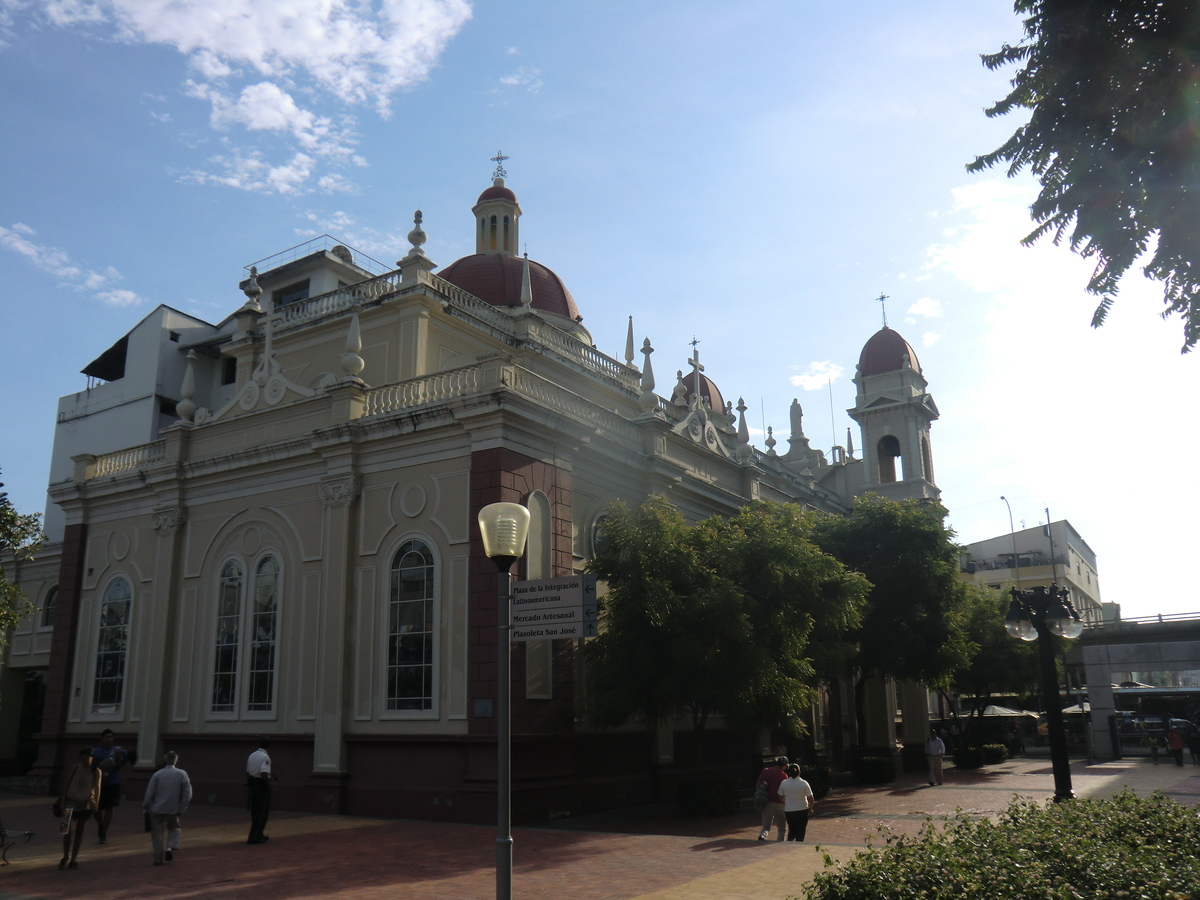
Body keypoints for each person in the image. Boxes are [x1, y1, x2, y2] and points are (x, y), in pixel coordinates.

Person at [142, 751, 192, 865]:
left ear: (165, 760)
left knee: (157, 833)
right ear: (176, 761)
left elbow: (149, 793)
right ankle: (170, 846)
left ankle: (157, 858)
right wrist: (182, 807)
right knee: (174, 827)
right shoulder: (181, 774)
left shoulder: (157, 774)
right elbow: (187, 793)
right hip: (172, 807)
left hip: (156, 807)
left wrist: (146, 807)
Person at [58, 747, 101, 869]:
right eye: (82, 759)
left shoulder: (96, 771)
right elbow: (66, 784)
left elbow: (98, 787)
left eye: (87, 759)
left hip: (85, 804)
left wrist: (96, 803)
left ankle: (73, 859)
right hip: (69, 802)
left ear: (92, 759)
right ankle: (65, 855)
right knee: (67, 831)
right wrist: (62, 800)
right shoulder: (75, 768)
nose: (84, 761)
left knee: (79, 832)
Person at [91, 728, 128, 844]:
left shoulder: (118, 751)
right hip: (99, 783)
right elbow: (92, 767)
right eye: (106, 737)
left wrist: (119, 757)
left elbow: (119, 767)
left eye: (111, 737)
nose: (109, 739)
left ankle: (103, 833)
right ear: (102, 739)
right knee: (95, 808)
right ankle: (101, 824)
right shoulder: (95, 752)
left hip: (112, 782)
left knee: (109, 808)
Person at [777, 763, 815, 842]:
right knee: (801, 831)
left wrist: (785, 801)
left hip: (789, 810)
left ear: (789, 773)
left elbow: (780, 797)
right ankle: (799, 843)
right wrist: (810, 808)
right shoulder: (804, 783)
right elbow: (811, 798)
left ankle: (790, 843)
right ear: (799, 772)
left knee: (791, 829)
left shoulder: (784, 783)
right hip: (802, 810)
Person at [754, 756, 788, 842]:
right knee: (781, 828)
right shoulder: (783, 775)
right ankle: (780, 842)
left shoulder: (765, 771)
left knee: (766, 825)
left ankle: (762, 836)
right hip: (778, 803)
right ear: (784, 766)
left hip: (766, 802)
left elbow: (758, 785)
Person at [246, 737, 272, 844]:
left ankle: (259, 833)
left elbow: (248, 772)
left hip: (253, 783)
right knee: (262, 812)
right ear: (268, 745)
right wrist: (268, 785)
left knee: (255, 811)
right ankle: (254, 836)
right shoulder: (265, 757)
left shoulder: (252, 755)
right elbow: (264, 772)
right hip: (261, 785)